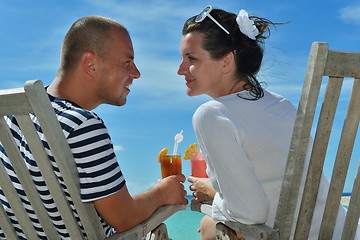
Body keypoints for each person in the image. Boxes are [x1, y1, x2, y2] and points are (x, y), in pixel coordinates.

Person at [177, 5, 359, 240]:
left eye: (190, 58)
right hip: (344, 233)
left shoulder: (211, 115)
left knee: (209, 223)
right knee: (210, 223)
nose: (180, 69)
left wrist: (213, 191)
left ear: (226, 62)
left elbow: (250, 214)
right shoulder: (282, 106)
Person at [0, 16, 188, 239]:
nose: (136, 73)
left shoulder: (12, 118)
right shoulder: (83, 125)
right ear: (90, 63)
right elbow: (123, 218)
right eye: (127, 62)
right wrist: (163, 192)